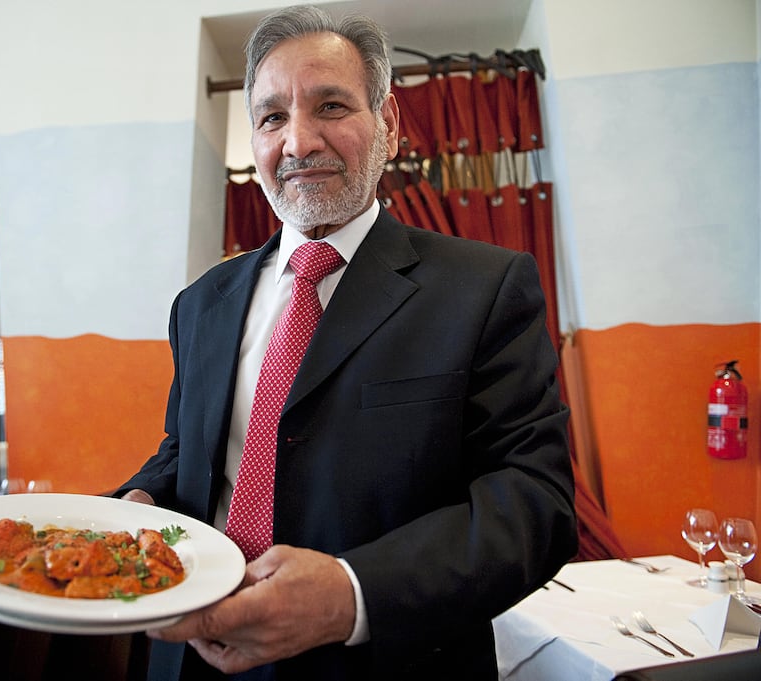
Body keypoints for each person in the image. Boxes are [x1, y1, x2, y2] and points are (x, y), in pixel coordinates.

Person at [116, 5, 577, 679]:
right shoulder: (200, 305)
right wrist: (143, 501)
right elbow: (188, 453)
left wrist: (351, 592)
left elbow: (534, 501)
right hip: (190, 656)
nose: (299, 141)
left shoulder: (485, 288)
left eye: (330, 106)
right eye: (273, 117)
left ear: (387, 122)